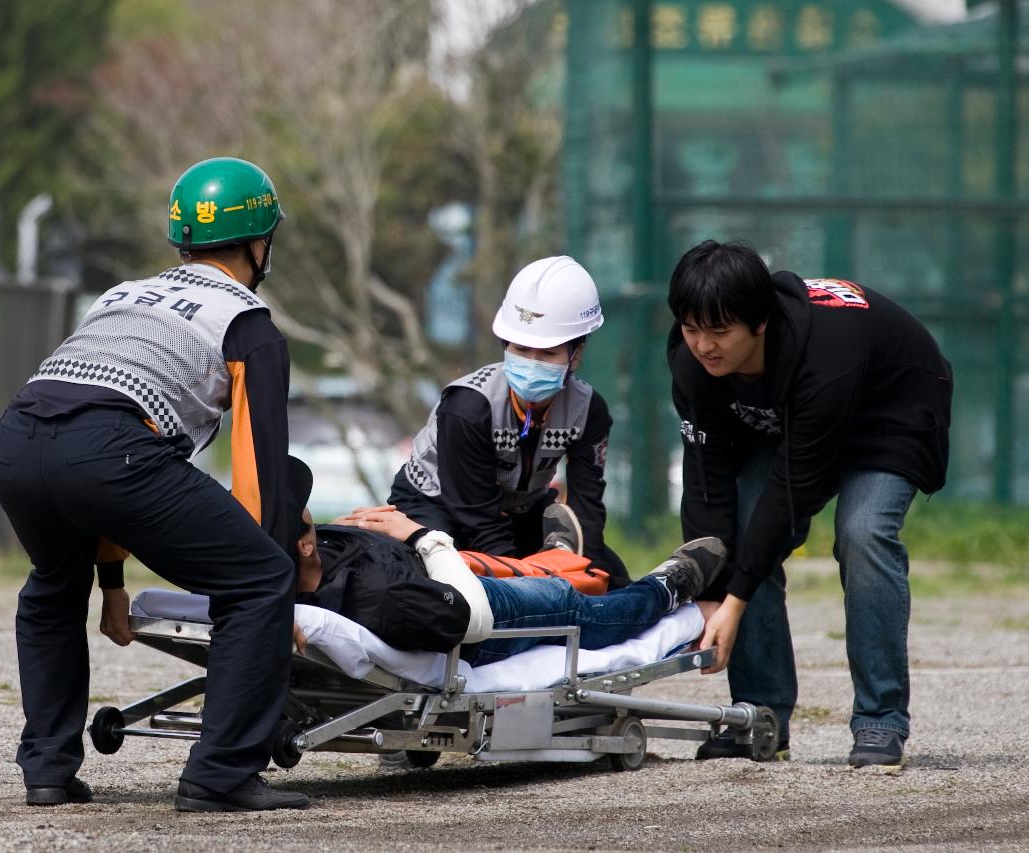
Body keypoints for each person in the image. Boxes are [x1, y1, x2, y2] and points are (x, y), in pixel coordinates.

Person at [0, 157, 309, 812]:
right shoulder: (248, 323)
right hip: (107, 450)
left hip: (16, 439)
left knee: (53, 582)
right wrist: (278, 591)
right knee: (259, 577)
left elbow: (81, 437)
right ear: (259, 243)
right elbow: (260, 475)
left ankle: (47, 769)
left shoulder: (123, 292)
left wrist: (110, 584)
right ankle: (220, 774)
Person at [666, 240, 952, 771]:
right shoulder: (692, 362)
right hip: (791, 418)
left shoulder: (826, 353)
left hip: (889, 410)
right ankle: (761, 717)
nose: (703, 345)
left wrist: (736, 600)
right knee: (744, 535)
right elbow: (707, 482)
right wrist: (710, 591)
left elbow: (792, 488)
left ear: (761, 324)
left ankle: (880, 720)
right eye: (690, 327)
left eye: (719, 331)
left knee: (862, 534)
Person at [285, 457, 724, 665]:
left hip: (438, 574)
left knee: (529, 571)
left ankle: (560, 556)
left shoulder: (302, 562)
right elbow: (471, 618)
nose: (311, 512)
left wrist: (349, 531)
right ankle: (666, 588)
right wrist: (421, 535)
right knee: (577, 609)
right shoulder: (383, 598)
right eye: (305, 513)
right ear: (303, 547)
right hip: (474, 611)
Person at [388, 256, 631, 589]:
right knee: (454, 577)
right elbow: (476, 521)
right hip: (438, 506)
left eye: (547, 354)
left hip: (517, 509)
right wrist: (526, 581)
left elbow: (586, 506)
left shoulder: (590, 411)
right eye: (521, 349)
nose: (531, 363)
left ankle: (665, 590)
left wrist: (589, 569)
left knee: (609, 573)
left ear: (576, 354)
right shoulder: (469, 407)